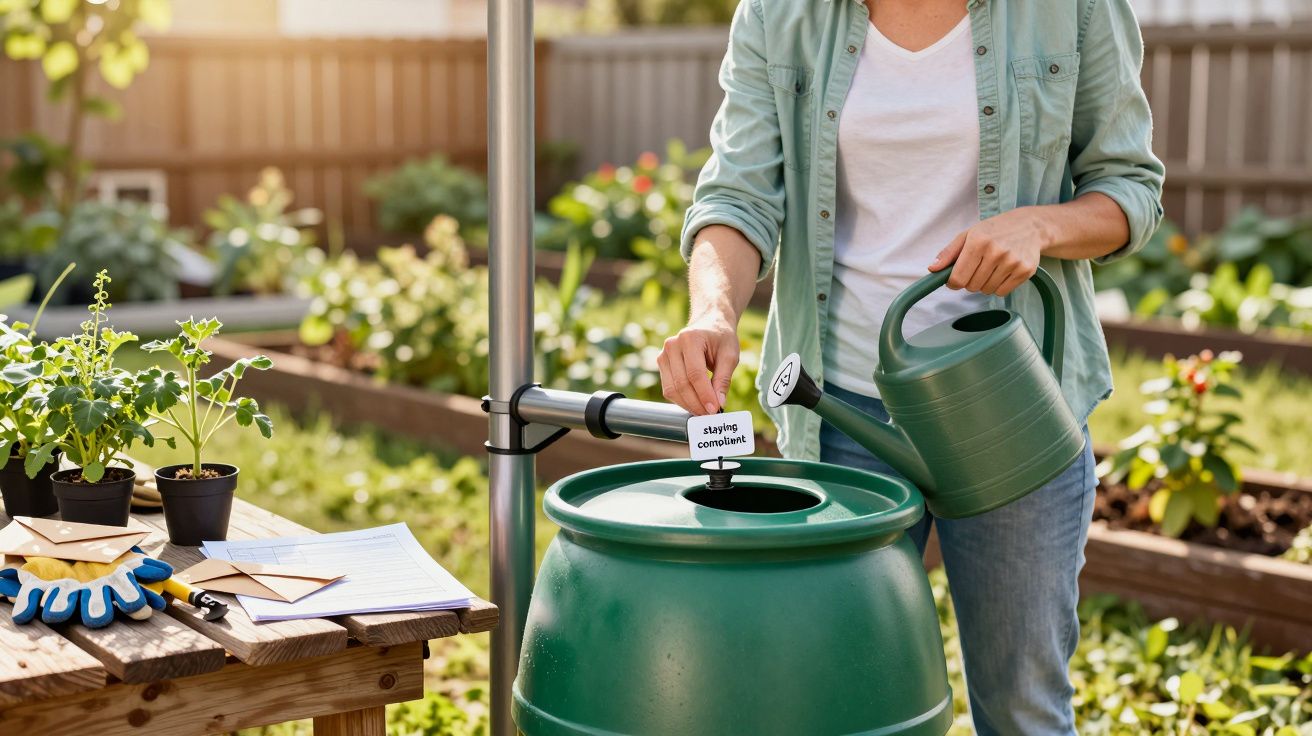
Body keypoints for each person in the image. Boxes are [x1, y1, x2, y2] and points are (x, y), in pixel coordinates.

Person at [657, 0, 1164, 733]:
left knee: (1023, 708)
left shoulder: (1072, 9)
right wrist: (714, 310)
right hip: (842, 412)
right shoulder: (780, 14)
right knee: (844, 705)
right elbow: (738, 192)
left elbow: (1130, 188)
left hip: (1013, 412)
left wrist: (1039, 225)